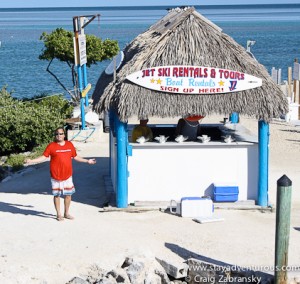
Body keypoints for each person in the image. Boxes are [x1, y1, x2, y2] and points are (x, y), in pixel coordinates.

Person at [25, 127, 96, 221]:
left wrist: (87, 161)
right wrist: (31, 161)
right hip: (56, 175)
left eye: (61, 134)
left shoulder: (69, 145)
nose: (59, 135)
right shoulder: (51, 146)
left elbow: (76, 157)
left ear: (64, 135)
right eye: (57, 134)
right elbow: (43, 157)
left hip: (68, 175)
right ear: (55, 135)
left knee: (68, 195)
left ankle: (66, 213)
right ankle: (58, 214)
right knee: (57, 195)